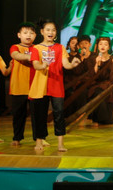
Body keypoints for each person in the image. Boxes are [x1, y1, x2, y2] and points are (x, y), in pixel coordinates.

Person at [29, 19, 81, 152]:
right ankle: (39, 141)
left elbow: (65, 64)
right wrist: (43, 65)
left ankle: (60, 144)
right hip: (41, 86)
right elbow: (36, 65)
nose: (50, 32)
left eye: (53, 30)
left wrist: (72, 64)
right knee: (40, 115)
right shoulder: (36, 48)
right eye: (48, 30)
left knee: (59, 114)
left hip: (56, 85)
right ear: (42, 32)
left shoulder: (60, 47)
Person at [8, 22, 37, 146]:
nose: (28, 35)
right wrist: (30, 57)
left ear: (35, 35)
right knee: (18, 114)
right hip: (19, 86)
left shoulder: (38, 48)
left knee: (37, 115)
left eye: (31, 33)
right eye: (25, 33)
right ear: (19, 35)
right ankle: (17, 138)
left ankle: (39, 138)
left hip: (35, 86)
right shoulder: (15, 47)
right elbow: (15, 55)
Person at [84, 36, 113, 126]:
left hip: (107, 85)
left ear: (109, 47)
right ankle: (99, 118)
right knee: (97, 92)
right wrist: (97, 64)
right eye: (100, 44)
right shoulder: (93, 59)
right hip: (95, 85)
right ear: (97, 46)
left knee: (102, 91)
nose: (103, 46)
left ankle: (104, 119)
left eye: (105, 44)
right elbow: (91, 76)